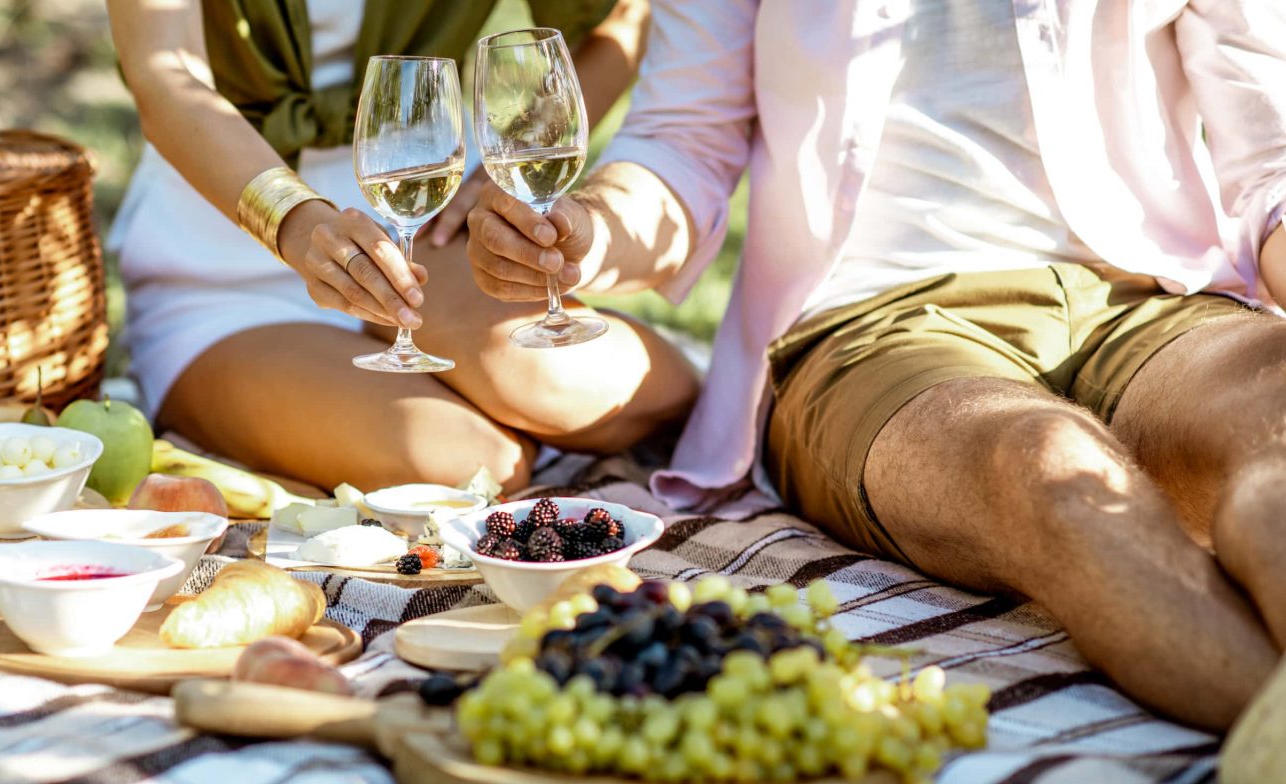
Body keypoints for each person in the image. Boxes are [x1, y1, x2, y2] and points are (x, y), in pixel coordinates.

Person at [467, 0, 1286, 731]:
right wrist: (591, 235)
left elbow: (1272, 159)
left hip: (1155, 296)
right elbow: (683, 139)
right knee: (1044, 468)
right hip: (872, 325)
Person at [105, 0, 699, 494]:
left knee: (583, 387)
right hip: (223, 257)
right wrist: (293, 219)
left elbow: (624, 18)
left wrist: (511, 154)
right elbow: (165, 75)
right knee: (469, 466)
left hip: (425, 224)